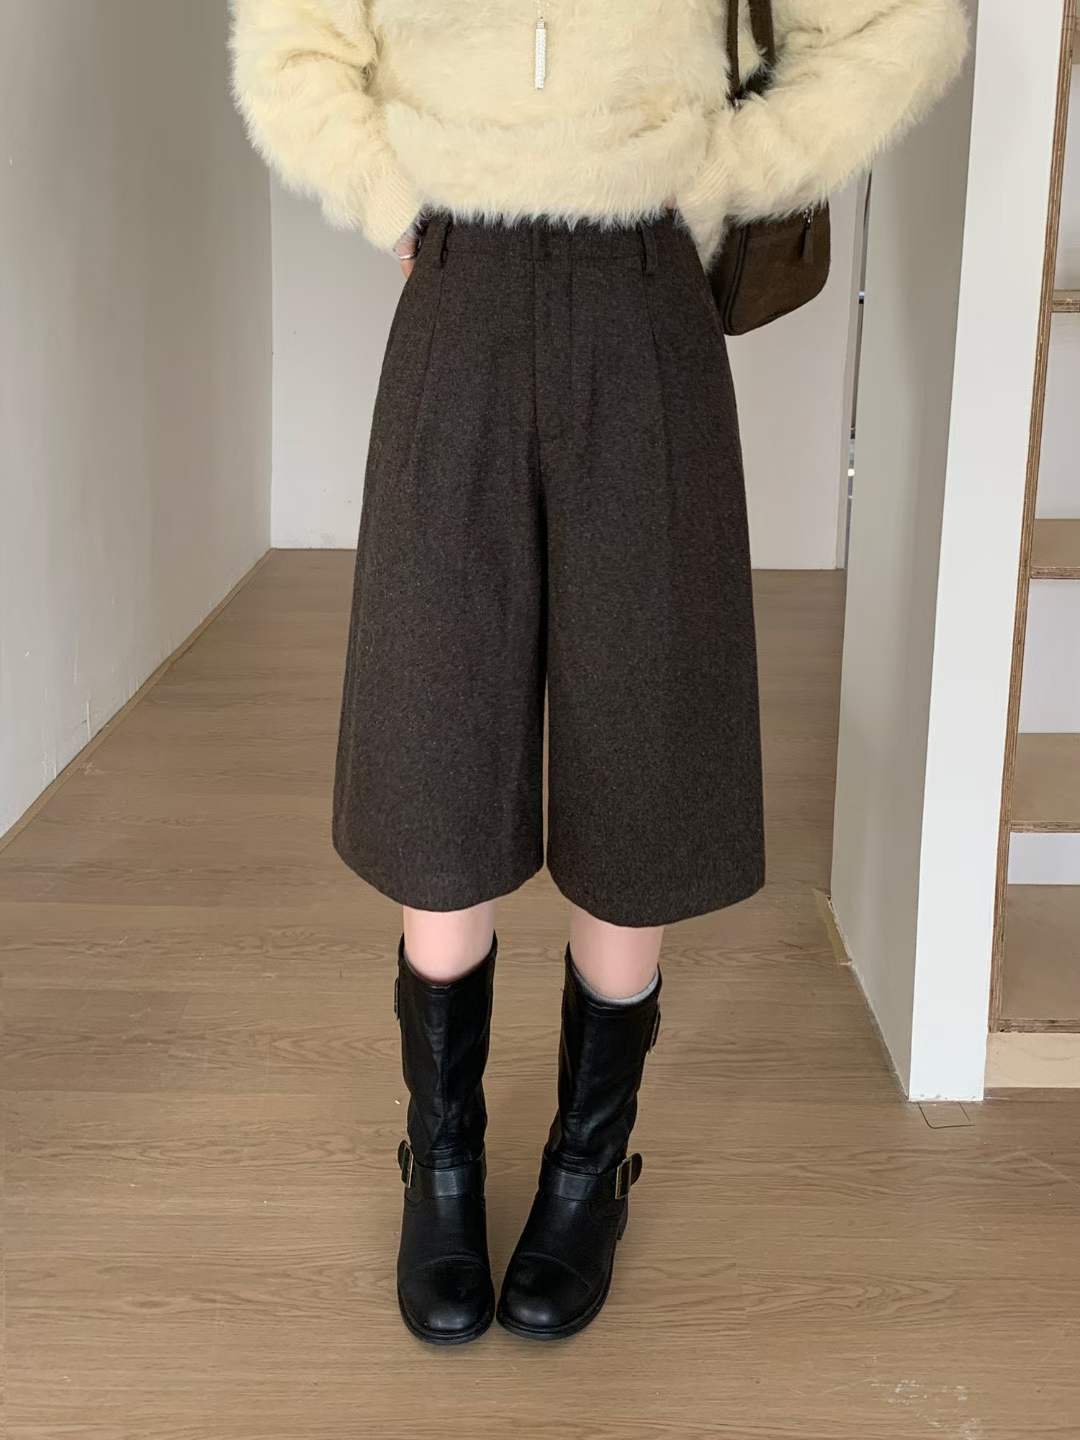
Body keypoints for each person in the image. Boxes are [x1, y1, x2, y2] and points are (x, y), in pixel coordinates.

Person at [230, 0, 968, 1345]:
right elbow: (290, 41)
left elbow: (893, 24)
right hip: (459, 284)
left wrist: (728, 168)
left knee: (644, 715)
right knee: (435, 718)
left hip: (643, 290)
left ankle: (587, 1169)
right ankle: (442, 1163)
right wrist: (389, 190)